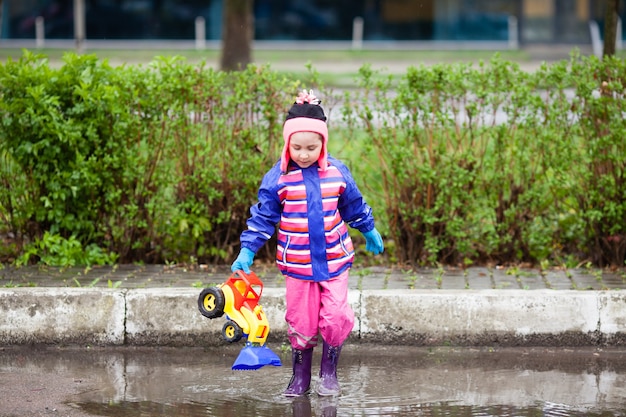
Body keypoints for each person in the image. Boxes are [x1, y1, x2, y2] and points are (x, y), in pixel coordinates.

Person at [231, 89, 384, 397]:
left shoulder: (337, 172)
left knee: (336, 316)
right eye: (297, 147)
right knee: (301, 321)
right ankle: (300, 376)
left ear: (323, 144)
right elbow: (263, 218)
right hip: (298, 265)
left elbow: (353, 205)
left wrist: (368, 230)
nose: (303, 154)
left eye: (311, 147)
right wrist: (247, 250)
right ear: (287, 145)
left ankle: (328, 373)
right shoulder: (279, 177)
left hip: (334, 260)